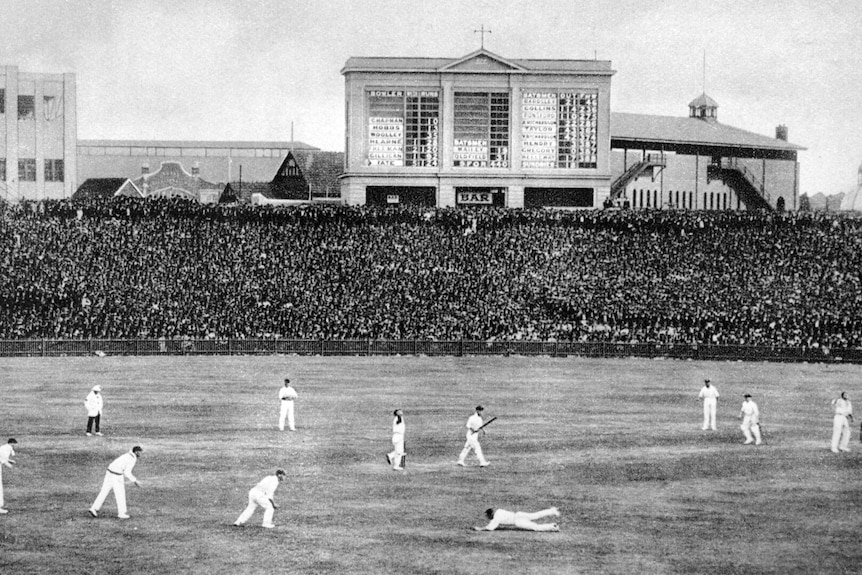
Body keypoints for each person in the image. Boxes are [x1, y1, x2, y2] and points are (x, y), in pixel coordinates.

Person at [89, 446, 143, 519]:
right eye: (140, 452)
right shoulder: (132, 459)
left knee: (104, 491)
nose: (140, 454)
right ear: (136, 452)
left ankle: (94, 508)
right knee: (120, 494)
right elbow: (127, 472)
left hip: (109, 472)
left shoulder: (127, 455)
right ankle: (121, 513)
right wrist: (135, 481)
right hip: (117, 476)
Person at [473, 507, 560, 531]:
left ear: (491, 514)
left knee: (535, 527)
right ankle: (552, 511)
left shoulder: (496, 517)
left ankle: (552, 526)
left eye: (488, 516)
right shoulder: (499, 511)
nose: (488, 518)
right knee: (535, 515)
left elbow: (490, 527)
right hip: (519, 514)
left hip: (518, 521)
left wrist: (480, 529)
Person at [0, 438, 18, 514]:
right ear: (12, 443)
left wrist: (10, 461)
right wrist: (10, 466)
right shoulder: (6, 449)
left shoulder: (4, 447)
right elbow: (3, 460)